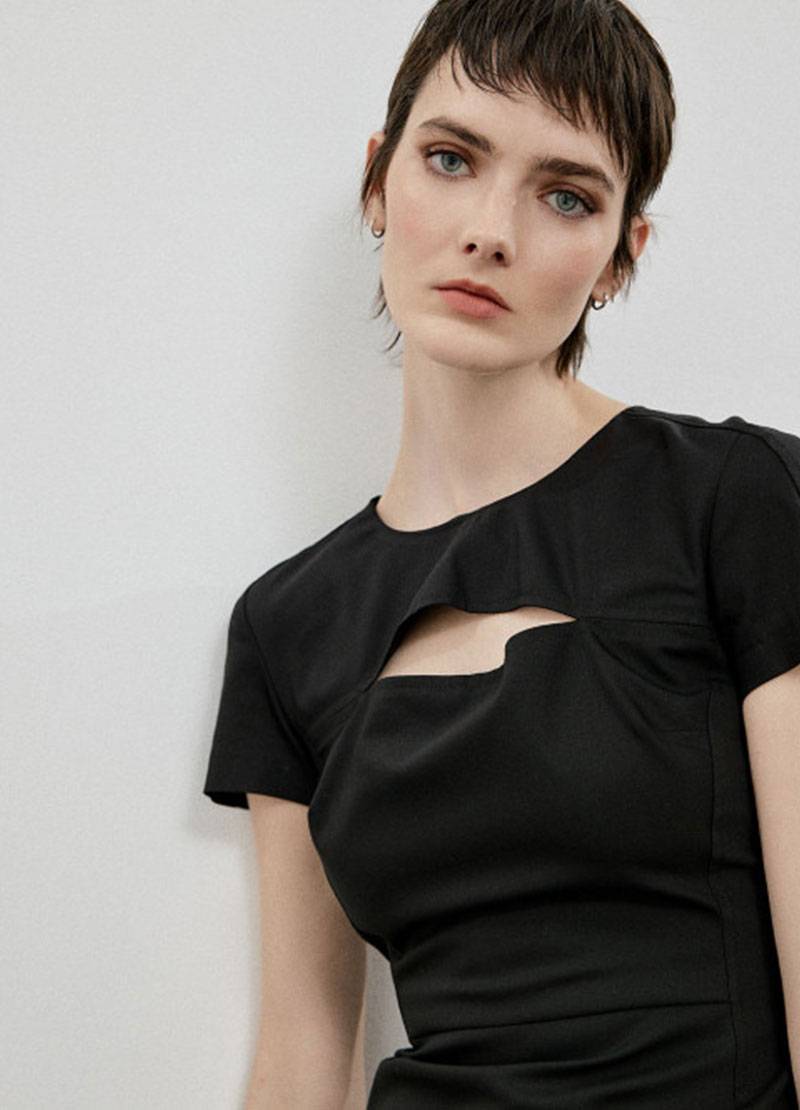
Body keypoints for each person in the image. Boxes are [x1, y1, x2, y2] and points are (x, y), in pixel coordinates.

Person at [203, 1, 800, 1106]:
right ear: (377, 181)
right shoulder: (286, 624)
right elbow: (302, 1051)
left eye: (565, 195)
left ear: (620, 256)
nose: (491, 232)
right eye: (450, 160)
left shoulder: (741, 499)